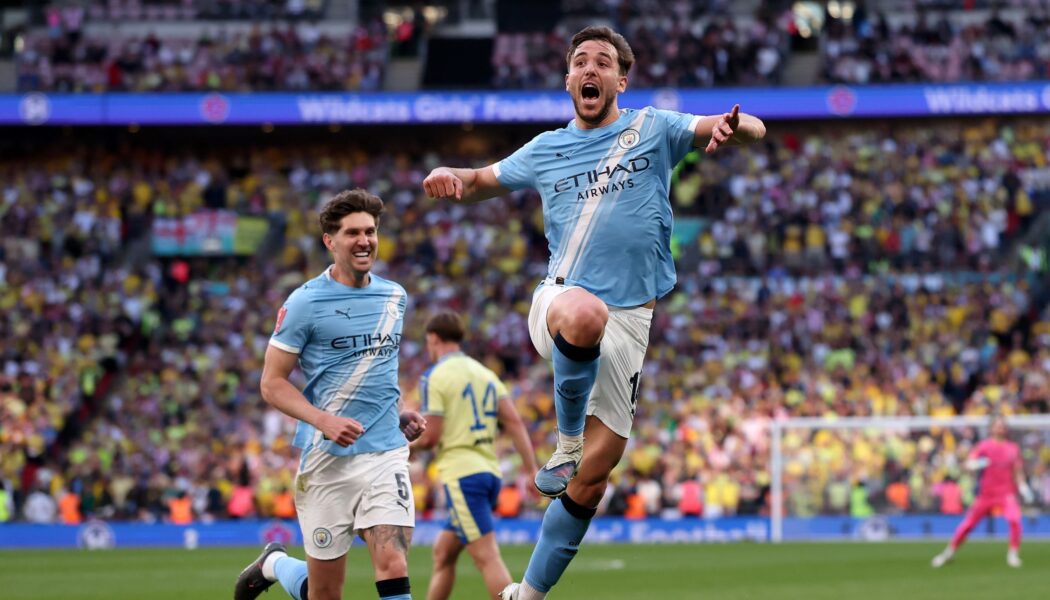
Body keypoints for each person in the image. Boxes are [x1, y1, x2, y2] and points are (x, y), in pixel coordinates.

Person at [422, 25, 765, 600]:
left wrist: (739, 126)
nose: (590, 69)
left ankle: (525, 593)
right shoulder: (546, 148)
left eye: (602, 62)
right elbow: (484, 179)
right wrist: (454, 175)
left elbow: (732, 124)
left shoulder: (651, 127)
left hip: (633, 320)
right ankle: (566, 438)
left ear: (619, 81)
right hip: (562, 299)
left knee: (594, 478)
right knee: (584, 317)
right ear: (568, 81)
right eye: (580, 61)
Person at [234, 189, 427, 600]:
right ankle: (274, 564)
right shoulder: (304, 302)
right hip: (326, 461)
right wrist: (323, 420)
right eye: (353, 232)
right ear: (329, 241)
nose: (365, 241)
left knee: (393, 562)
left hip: (384, 453)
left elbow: (377, 371)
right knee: (325, 594)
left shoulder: (394, 296)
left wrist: (397, 412)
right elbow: (272, 383)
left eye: (371, 231)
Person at [412, 311, 540, 600]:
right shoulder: (485, 373)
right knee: (443, 553)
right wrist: (531, 469)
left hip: (462, 475)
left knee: (487, 557)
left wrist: (404, 449)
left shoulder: (435, 376)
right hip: (489, 472)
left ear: (433, 339)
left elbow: (430, 437)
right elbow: (514, 422)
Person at [931, 415, 1034, 569]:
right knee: (968, 524)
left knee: (1014, 520)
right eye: (997, 425)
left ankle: (1013, 554)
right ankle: (949, 552)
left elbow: (1017, 471)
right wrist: (977, 463)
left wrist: (1023, 487)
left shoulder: (1013, 448)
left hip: (1006, 492)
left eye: (1002, 425)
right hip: (987, 493)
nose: (1000, 428)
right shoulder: (984, 446)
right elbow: (967, 464)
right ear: (991, 428)